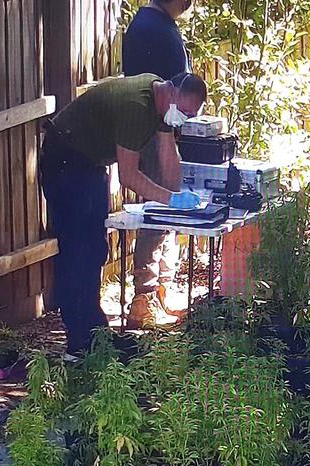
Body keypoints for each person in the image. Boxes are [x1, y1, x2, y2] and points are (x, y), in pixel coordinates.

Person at [40, 72, 206, 356]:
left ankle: (96, 334)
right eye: (186, 112)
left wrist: (183, 201)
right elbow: (129, 176)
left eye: (192, 115)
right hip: (65, 158)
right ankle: (78, 344)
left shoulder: (162, 105)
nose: (186, 119)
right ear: (171, 94)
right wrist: (171, 199)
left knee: (94, 249)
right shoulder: (137, 107)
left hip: (88, 162)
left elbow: (168, 155)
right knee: (78, 252)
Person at [122, 0, 193, 328]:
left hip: (164, 127)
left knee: (169, 208)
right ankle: (143, 296)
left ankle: (161, 287)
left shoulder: (158, 24)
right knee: (159, 208)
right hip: (154, 130)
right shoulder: (149, 27)